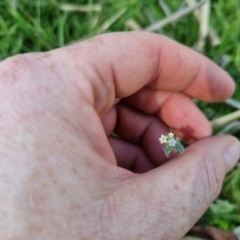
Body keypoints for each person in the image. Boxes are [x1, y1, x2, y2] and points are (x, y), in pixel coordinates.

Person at [0, 31, 239, 240]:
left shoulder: (169, 140)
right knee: (168, 147)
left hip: (170, 145)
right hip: (165, 146)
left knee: (172, 147)